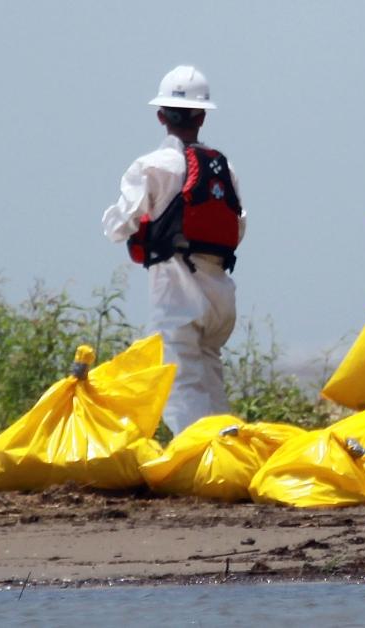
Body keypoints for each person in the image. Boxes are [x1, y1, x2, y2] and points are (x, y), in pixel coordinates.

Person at [101, 65, 245, 436]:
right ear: (202, 117)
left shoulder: (151, 166)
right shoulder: (224, 168)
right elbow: (238, 227)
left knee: (181, 387)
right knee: (210, 379)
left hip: (177, 293)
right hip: (220, 295)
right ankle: (227, 452)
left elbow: (120, 226)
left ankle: (199, 462)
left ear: (161, 116)